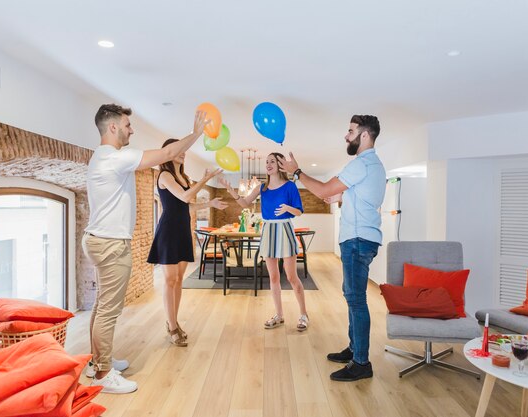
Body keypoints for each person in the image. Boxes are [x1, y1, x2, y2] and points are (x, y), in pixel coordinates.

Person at [82, 103, 207, 394]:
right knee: (109, 310)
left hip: (101, 239)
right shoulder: (113, 157)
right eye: (127, 125)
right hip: (110, 243)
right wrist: (196, 133)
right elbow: (165, 154)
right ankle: (102, 374)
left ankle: (97, 361)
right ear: (112, 127)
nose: (131, 129)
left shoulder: (103, 158)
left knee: (102, 306)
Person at [277, 115, 386, 382]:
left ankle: (361, 362)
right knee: (352, 296)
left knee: (356, 299)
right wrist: (339, 195)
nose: (345, 136)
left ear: (364, 135)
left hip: (358, 239)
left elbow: (325, 188)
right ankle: (354, 350)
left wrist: (298, 172)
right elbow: (334, 194)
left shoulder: (361, 163)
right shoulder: (373, 166)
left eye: (350, 131)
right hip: (363, 237)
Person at [147, 140, 227, 347]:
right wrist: (205, 179)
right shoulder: (165, 176)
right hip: (168, 230)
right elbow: (185, 195)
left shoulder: (184, 177)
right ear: (169, 153)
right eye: (179, 150)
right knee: (170, 280)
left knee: (179, 278)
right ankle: (172, 326)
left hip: (183, 230)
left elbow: (188, 206)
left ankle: (174, 321)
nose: (183, 154)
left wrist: (210, 203)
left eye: (184, 151)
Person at [219, 152, 309, 331]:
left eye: (272, 161)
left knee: (291, 277)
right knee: (273, 277)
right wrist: (230, 190)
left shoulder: (290, 186)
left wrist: (287, 208)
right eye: (266, 162)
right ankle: (279, 315)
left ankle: (304, 314)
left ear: (280, 165)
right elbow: (244, 203)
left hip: (284, 229)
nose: (268, 164)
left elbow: (299, 211)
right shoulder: (262, 188)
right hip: (268, 231)